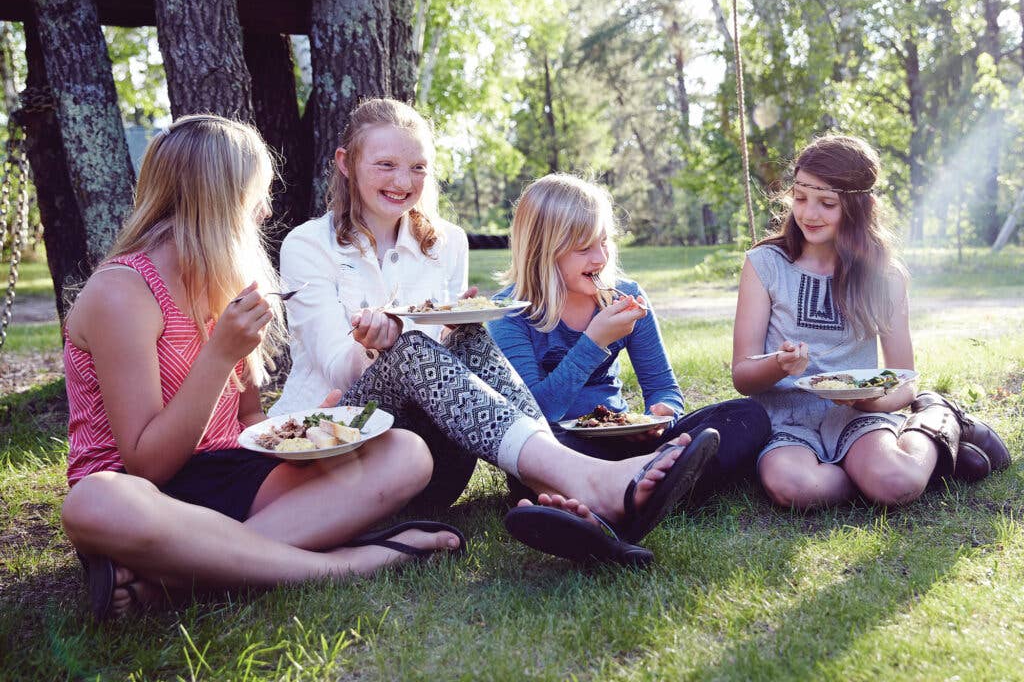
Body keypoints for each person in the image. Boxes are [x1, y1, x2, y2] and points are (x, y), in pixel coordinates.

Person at [272, 98, 719, 566]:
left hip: (437, 463)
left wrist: (453, 327)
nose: (403, 182)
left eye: (417, 167)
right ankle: (584, 483)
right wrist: (376, 345)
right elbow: (335, 366)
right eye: (385, 164)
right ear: (346, 164)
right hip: (340, 445)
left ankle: (564, 488)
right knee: (407, 346)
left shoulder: (447, 242)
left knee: (467, 334)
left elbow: (450, 364)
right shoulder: (306, 246)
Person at [60, 115, 467, 622]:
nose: (266, 209)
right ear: (219, 197)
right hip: (142, 495)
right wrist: (219, 355)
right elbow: (148, 465)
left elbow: (247, 425)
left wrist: (309, 436)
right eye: (257, 194)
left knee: (405, 453)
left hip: (225, 477)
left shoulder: (223, 279)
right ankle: (346, 564)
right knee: (92, 503)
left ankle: (173, 580)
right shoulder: (123, 292)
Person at [731, 134, 1010, 509]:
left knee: (897, 483)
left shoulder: (886, 276)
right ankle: (888, 472)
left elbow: (903, 382)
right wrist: (777, 366)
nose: (809, 213)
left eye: (827, 203)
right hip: (786, 422)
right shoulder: (765, 264)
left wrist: (868, 402)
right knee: (794, 488)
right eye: (799, 198)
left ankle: (937, 420)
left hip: (854, 418)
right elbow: (742, 375)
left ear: (862, 206)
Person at [487, 174, 770, 513]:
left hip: (624, 442)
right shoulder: (510, 314)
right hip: (561, 450)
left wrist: (662, 415)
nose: (600, 258)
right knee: (538, 455)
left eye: (604, 242)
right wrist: (594, 342)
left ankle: (639, 484)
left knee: (747, 415)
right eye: (583, 248)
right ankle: (658, 485)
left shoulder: (626, 296)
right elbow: (537, 414)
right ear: (541, 252)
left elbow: (663, 387)